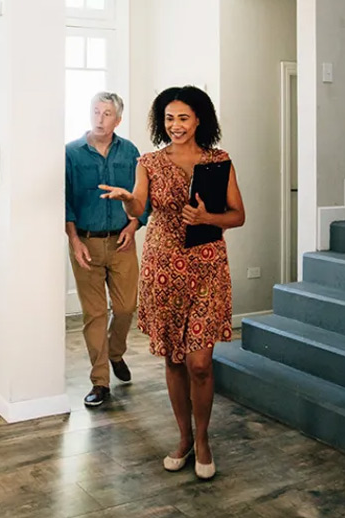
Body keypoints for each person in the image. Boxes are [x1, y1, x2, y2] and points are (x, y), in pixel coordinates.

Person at [100, 85, 245, 480]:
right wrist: (128, 199)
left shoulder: (219, 161)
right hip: (163, 267)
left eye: (183, 117)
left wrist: (207, 220)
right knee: (175, 358)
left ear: (199, 119)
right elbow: (139, 205)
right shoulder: (148, 161)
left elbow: (237, 216)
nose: (175, 125)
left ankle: (203, 440)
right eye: (168, 118)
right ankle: (183, 437)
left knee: (200, 362)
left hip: (207, 266)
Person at [65, 92, 151, 408]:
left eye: (107, 113)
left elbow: (144, 197)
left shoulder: (130, 152)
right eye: (96, 112)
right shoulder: (71, 153)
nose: (100, 119)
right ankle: (100, 381)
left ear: (118, 119)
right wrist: (74, 241)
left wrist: (133, 226)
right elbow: (66, 201)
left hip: (122, 242)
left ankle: (116, 352)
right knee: (95, 314)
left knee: (127, 307)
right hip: (86, 242)